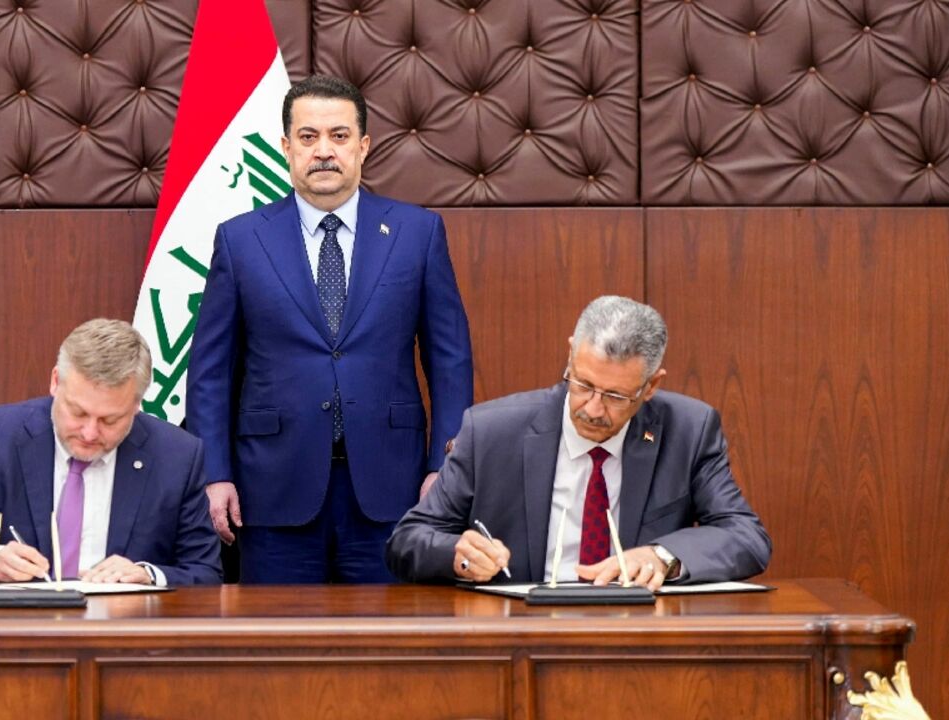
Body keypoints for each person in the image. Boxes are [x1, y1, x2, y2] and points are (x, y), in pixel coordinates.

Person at [186, 74, 473, 583]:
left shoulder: (418, 232)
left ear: (363, 146)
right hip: (271, 488)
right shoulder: (240, 241)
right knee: (278, 649)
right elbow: (210, 372)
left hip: (393, 488)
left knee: (388, 648)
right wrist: (215, 473)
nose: (324, 151)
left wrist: (444, 468)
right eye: (308, 137)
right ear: (286, 148)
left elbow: (449, 361)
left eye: (339, 136)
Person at [387, 296, 771, 589]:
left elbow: (746, 537)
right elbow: (407, 541)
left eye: (616, 396)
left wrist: (662, 556)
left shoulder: (689, 430)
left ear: (651, 386)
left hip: (637, 633)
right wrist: (459, 557)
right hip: (522, 629)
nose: (592, 408)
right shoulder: (491, 431)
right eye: (583, 384)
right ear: (571, 354)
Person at [0, 319, 221, 586]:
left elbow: (206, 573)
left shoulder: (177, 455)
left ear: (137, 404)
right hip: (15, 636)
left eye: (110, 420)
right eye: (78, 413)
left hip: (125, 640)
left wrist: (148, 575)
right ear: (56, 382)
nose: (89, 433)